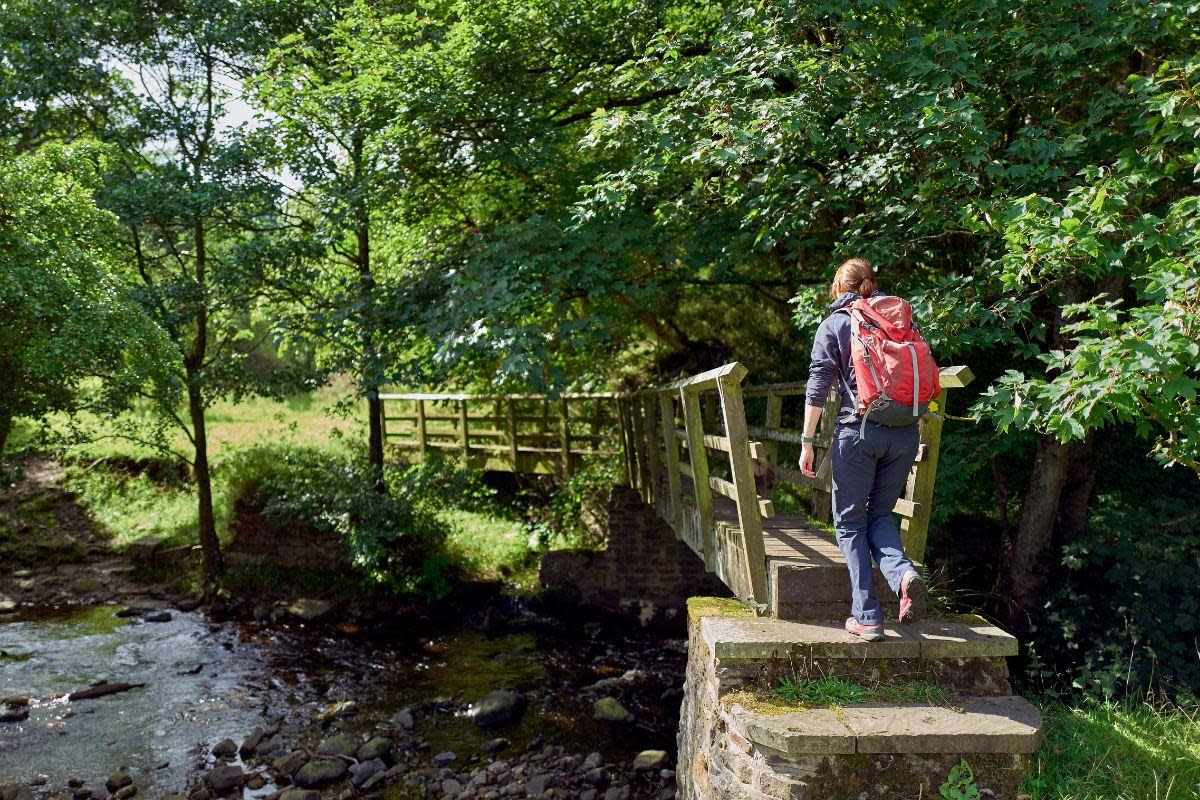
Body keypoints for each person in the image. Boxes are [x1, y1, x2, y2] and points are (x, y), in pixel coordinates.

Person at [798, 257, 929, 641]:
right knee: (880, 514)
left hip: (859, 432)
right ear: (872, 285)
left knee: (851, 522)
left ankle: (867, 616)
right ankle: (903, 575)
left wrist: (807, 442)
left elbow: (818, 386)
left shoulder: (834, 323)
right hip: (905, 433)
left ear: (839, 289)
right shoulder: (900, 321)